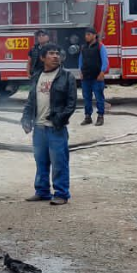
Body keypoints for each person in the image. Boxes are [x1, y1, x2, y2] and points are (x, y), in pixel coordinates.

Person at [21, 43, 77, 205]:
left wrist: (58, 119)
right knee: (41, 162)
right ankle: (42, 191)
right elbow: (30, 100)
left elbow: (71, 104)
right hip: (38, 129)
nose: (55, 56)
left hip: (56, 129)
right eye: (51, 54)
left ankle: (61, 193)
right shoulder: (37, 76)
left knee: (59, 162)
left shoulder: (67, 77)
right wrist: (26, 119)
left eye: (57, 53)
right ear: (42, 58)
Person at [78, 27, 108, 126]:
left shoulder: (100, 47)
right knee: (86, 98)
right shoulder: (83, 47)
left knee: (99, 97)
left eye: (89, 34)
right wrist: (81, 71)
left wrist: (102, 72)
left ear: (94, 35)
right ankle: (87, 117)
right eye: (86, 35)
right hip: (86, 77)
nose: (86, 37)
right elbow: (80, 60)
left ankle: (100, 116)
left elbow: (105, 61)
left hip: (97, 77)